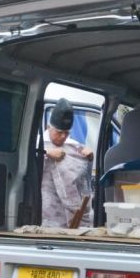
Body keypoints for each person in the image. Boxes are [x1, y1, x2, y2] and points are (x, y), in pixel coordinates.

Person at [41, 98, 94, 228]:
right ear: (49, 128)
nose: (63, 137)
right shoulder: (39, 143)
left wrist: (89, 157)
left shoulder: (73, 146)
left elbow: (83, 179)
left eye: (66, 133)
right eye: (59, 133)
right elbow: (27, 157)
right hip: (46, 204)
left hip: (72, 208)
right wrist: (46, 152)